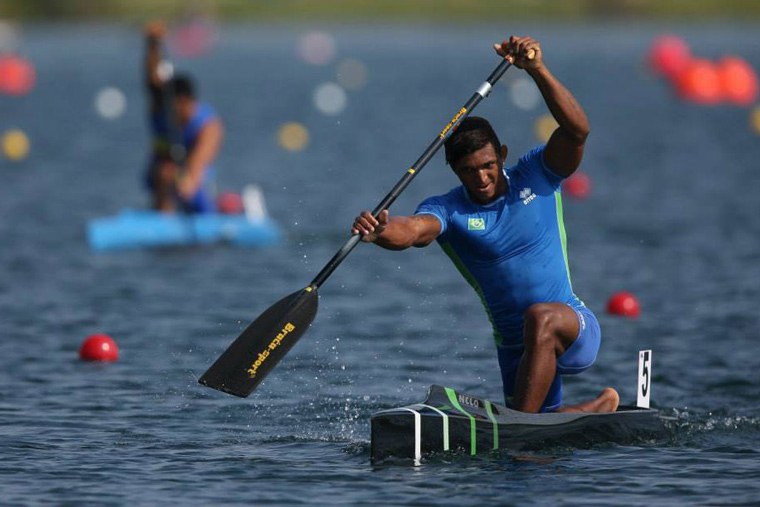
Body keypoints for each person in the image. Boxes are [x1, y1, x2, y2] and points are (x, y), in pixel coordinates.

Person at [352, 36, 619, 413]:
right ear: (454, 171)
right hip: (514, 348)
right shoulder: (447, 210)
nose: (480, 178)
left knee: (539, 317)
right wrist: (380, 231)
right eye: (468, 171)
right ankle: (600, 406)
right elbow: (411, 231)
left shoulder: (537, 174)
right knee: (541, 434)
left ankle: (520, 426)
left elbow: (577, 131)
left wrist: (537, 71)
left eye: (487, 165)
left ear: (502, 155)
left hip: (571, 325)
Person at [144, 21, 223, 213]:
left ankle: (207, 213)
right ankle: (163, 215)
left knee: (178, 179)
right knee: (164, 172)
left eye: (181, 106)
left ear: (190, 101)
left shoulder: (208, 125)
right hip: (162, 175)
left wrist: (190, 181)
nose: (176, 110)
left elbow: (200, 159)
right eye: (172, 105)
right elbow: (152, 79)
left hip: (196, 179)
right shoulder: (161, 110)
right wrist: (154, 44)